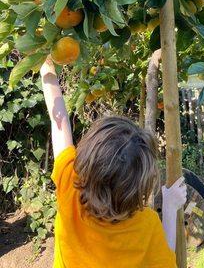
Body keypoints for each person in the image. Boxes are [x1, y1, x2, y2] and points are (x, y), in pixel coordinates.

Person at [40, 57, 187, 268]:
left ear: (88, 157)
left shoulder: (69, 187)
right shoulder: (147, 225)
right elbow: (165, 262)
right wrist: (171, 207)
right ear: (141, 184)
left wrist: (46, 63)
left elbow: (59, 120)